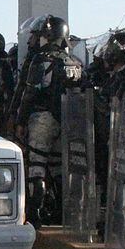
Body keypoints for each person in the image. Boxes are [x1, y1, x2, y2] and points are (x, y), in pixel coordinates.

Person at [15, 16, 83, 227]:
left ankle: (35, 214)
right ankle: (63, 212)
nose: (35, 40)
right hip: (68, 120)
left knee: (36, 166)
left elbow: (30, 92)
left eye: (39, 36)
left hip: (42, 117)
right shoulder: (75, 62)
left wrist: (20, 120)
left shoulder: (42, 60)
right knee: (58, 166)